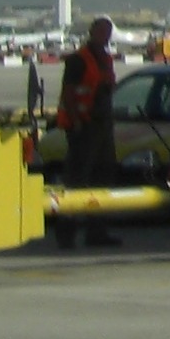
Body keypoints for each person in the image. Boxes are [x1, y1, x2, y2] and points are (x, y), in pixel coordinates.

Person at [54, 16, 124, 245]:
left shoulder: (105, 58)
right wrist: (76, 122)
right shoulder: (78, 60)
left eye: (108, 32)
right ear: (93, 32)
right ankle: (66, 235)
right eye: (101, 31)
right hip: (84, 127)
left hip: (102, 125)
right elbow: (69, 93)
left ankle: (97, 232)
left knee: (102, 179)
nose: (104, 36)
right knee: (76, 181)